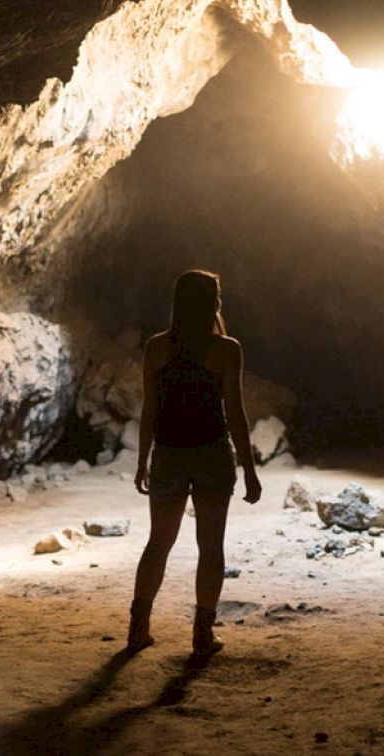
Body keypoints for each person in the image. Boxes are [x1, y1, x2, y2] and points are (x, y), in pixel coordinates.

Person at [127, 269, 262, 657]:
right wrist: (249, 471)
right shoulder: (227, 349)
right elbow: (235, 413)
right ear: (211, 303)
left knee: (158, 543)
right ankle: (202, 634)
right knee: (211, 547)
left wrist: (143, 460)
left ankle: (138, 628)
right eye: (217, 295)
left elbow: (150, 409)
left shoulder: (156, 347)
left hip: (169, 454)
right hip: (211, 454)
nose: (221, 301)